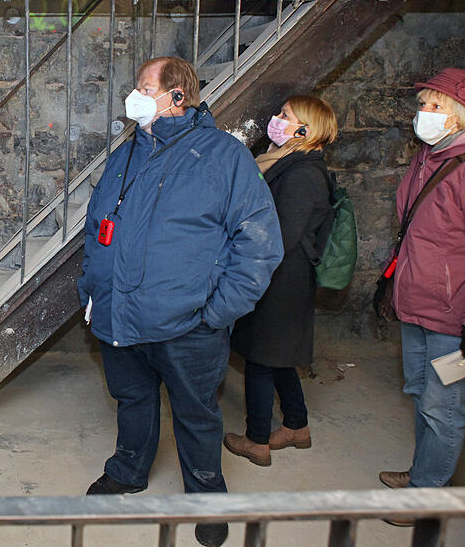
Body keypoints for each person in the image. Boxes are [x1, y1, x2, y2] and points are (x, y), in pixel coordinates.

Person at [77, 56, 283, 547]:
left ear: (177, 97)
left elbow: (260, 244)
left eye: (146, 88)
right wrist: (91, 285)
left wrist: (215, 312)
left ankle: (206, 498)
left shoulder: (222, 156)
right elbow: (96, 225)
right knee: (132, 399)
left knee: (196, 414)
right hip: (118, 312)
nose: (135, 95)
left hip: (187, 323)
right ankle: (128, 470)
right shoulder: (127, 152)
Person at [224, 95, 338, 467]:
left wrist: (248, 268)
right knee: (279, 356)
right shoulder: (288, 161)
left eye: (286, 116)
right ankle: (296, 426)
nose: (277, 119)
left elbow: (282, 236)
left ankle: (257, 440)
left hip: (280, 277)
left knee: (260, 356)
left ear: (305, 130)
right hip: (282, 274)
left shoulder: (304, 174)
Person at [378, 68, 465, 506]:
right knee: (421, 395)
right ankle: (425, 473)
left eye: (437, 106)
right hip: (416, 303)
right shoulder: (425, 157)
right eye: (423, 104)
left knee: (444, 407)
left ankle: (427, 497)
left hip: (453, 315)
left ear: (460, 116)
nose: (425, 113)